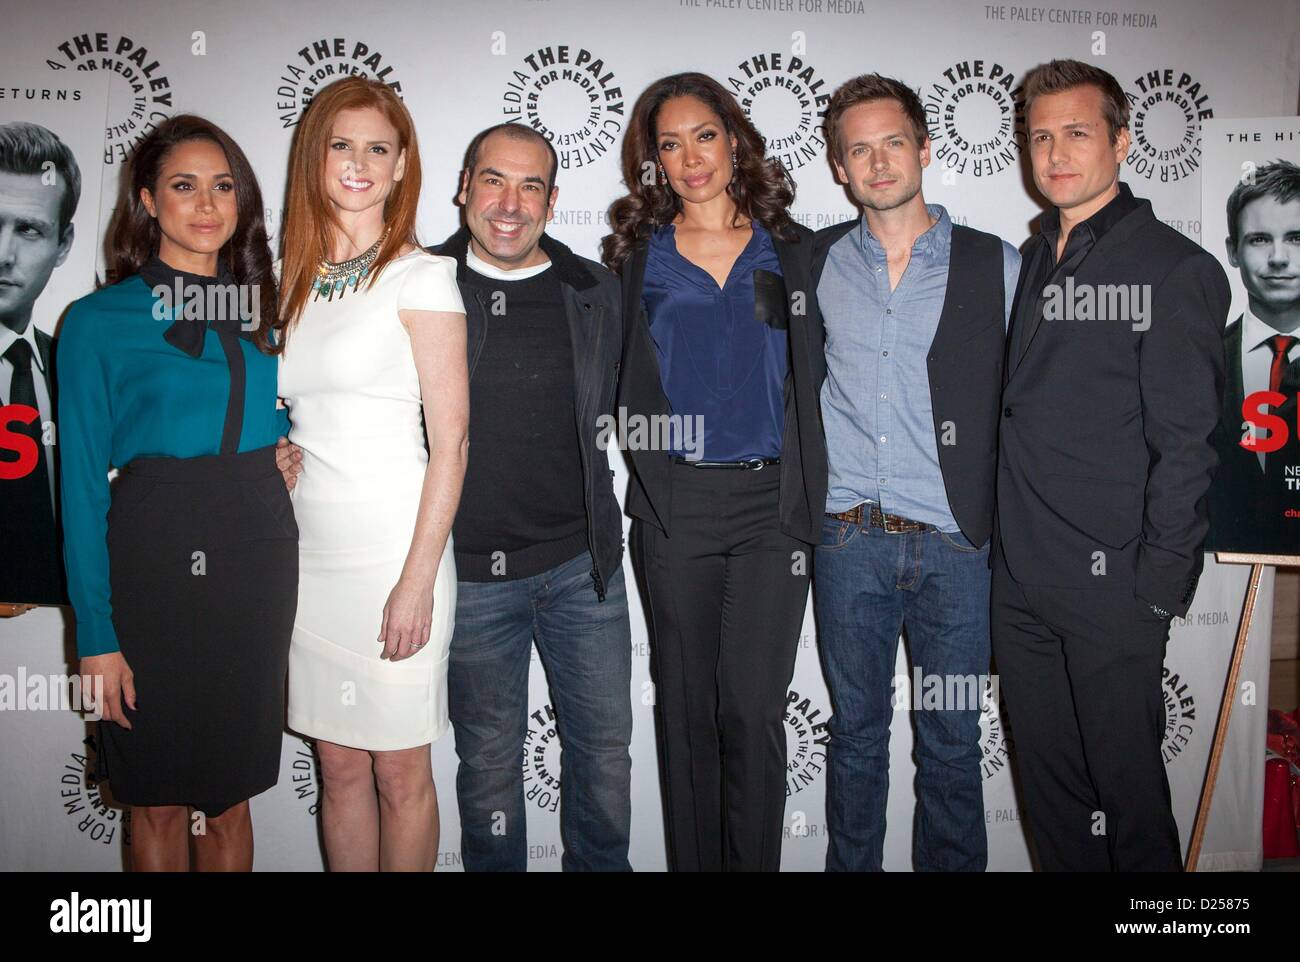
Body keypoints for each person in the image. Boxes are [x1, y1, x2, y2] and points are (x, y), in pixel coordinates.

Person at [994, 59, 1229, 871]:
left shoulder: (1175, 267)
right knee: (1053, 799)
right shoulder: (1032, 257)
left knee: (1127, 803)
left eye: (1078, 133)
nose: (1056, 153)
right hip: (1020, 579)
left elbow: (1190, 446)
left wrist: (1155, 591)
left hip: (1113, 587)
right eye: (1041, 137)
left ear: (1123, 141)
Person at [602, 71, 826, 872]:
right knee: (687, 714)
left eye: (704, 135)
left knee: (755, 711)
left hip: (775, 505)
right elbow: (602, 374)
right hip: (677, 506)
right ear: (653, 160)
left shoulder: (796, 250)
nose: (691, 157)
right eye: (670, 143)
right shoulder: (634, 256)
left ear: (734, 139)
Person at [60, 114, 297, 871]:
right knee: (155, 799)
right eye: (184, 186)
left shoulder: (269, 307)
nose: (206, 204)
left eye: (223, 186)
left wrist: (283, 447)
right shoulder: (96, 321)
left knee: (228, 800)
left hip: (255, 561)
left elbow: (308, 404)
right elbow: (79, 486)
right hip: (151, 562)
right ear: (147, 200)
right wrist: (95, 638)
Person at [809, 74, 1020, 872]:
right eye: (858, 148)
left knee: (953, 746)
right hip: (848, 541)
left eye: (893, 142)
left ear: (925, 149)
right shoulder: (817, 265)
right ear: (839, 166)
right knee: (856, 741)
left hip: (958, 548)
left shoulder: (997, 264)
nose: (878, 161)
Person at [276, 77, 469, 872]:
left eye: (377, 149)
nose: (358, 163)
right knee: (340, 766)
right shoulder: (290, 277)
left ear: (400, 168)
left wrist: (416, 580)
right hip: (309, 555)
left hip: (397, 549)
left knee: (399, 769)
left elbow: (452, 441)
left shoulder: (421, 277)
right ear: (315, 158)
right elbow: (291, 408)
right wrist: (277, 451)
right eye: (341, 145)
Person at [428, 123, 631, 872]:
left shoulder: (593, 291)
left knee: (605, 761)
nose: (510, 203)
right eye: (493, 181)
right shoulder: (419, 282)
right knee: (487, 771)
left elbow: (627, 404)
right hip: (471, 576)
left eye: (531, 185)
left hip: (583, 570)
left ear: (552, 198)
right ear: (463, 186)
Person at [0, 122, 79, 605]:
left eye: (28, 230)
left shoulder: (72, 367)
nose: (3, 255)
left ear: (63, 245)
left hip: (59, 646)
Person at [1206, 160, 1300, 554]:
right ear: (1233, 250)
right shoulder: (1203, 360)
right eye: (1260, 239)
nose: (1278, 258)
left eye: (1297, 238)